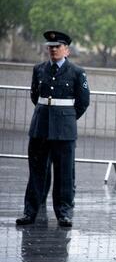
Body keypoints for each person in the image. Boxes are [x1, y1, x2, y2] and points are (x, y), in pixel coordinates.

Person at [16, 30, 90, 227]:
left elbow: (83, 102)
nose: (53, 50)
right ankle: (30, 212)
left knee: (64, 174)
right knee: (36, 172)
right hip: (40, 128)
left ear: (67, 50)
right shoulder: (39, 69)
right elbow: (35, 96)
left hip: (64, 131)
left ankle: (63, 213)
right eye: (50, 47)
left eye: (57, 46)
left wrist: (66, 118)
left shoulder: (77, 72)